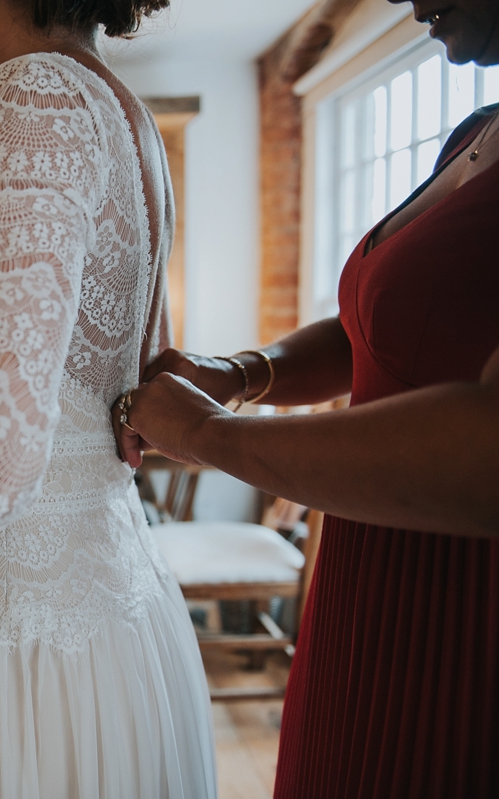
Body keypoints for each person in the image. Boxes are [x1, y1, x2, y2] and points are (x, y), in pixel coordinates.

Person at [114, 2, 499, 796]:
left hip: (462, 610)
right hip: (363, 579)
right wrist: (240, 372)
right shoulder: (477, 133)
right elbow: (379, 328)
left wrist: (214, 436)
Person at [0, 1, 216, 797]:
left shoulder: (33, 97)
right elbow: (137, 385)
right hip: (110, 589)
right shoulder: (127, 117)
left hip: (16, 623)